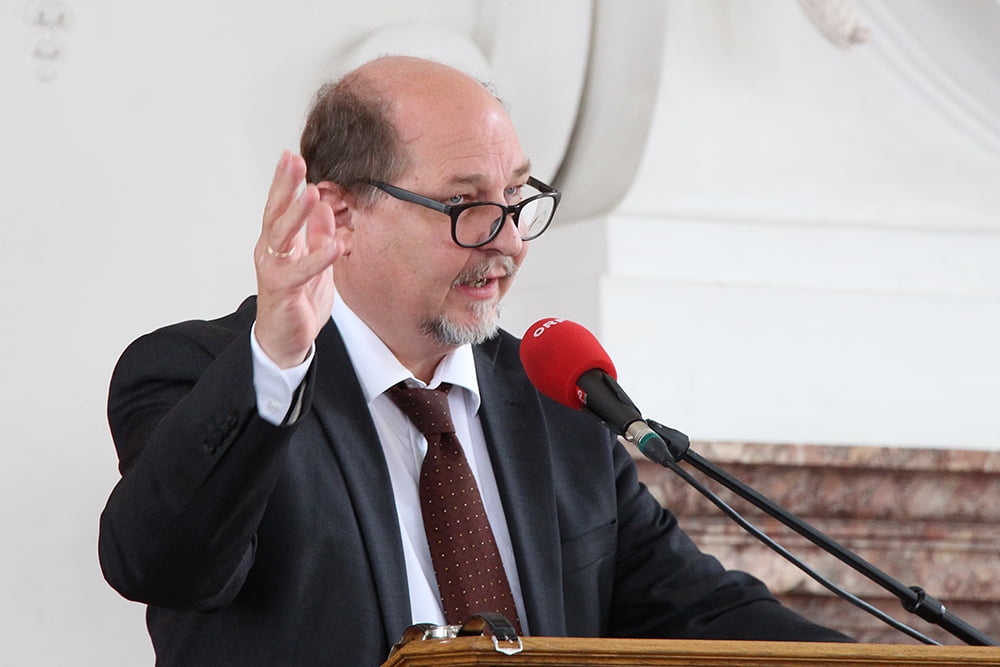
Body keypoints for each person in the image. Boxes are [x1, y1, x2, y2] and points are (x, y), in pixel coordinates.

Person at [99, 56, 852, 666]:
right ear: (339, 214)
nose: (510, 241)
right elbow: (162, 565)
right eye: (466, 206)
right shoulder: (198, 372)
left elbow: (699, 612)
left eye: (516, 196)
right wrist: (277, 358)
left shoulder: (557, 398)